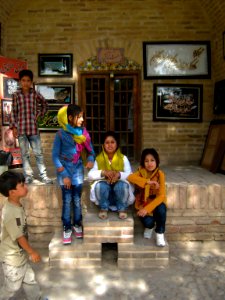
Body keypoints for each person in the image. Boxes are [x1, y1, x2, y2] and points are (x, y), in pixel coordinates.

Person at [52, 104, 95, 245]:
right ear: (70, 117)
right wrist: (64, 175)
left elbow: (91, 151)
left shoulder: (83, 133)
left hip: (77, 170)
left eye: (83, 116)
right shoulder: (60, 134)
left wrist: (90, 159)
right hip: (64, 171)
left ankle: (77, 224)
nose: (82, 119)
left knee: (77, 200)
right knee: (67, 201)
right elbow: (55, 157)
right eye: (79, 116)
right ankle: (67, 227)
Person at [0, 171, 46, 300]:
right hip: (12, 259)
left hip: (20, 255)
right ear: (12, 192)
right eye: (21, 185)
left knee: (30, 280)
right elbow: (19, 236)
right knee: (12, 287)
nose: (26, 187)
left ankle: (36, 298)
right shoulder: (10, 212)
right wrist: (32, 252)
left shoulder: (16, 205)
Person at [9, 69, 52, 185]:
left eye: (28, 80)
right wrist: (14, 127)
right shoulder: (16, 95)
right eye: (23, 80)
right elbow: (13, 112)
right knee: (24, 154)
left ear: (31, 82)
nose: (26, 83)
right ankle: (28, 176)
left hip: (33, 129)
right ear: (20, 82)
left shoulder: (35, 94)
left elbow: (45, 105)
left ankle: (44, 176)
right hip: (21, 129)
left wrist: (38, 115)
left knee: (38, 153)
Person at [88, 131, 135, 220]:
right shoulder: (99, 159)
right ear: (103, 145)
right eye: (107, 142)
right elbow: (90, 175)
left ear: (117, 144)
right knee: (100, 185)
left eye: (112, 142)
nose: (110, 145)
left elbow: (131, 176)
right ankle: (104, 208)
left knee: (121, 185)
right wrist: (103, 173)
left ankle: (121, 208)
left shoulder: (123, 158)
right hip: (105, 196)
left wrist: (119, 175)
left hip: (120, 195)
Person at [127, 148, 167, 247]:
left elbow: (162, 196)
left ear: (156, 161)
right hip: (143, 203)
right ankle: (150, 227)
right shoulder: (140, 172)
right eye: (146, 161)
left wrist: (147, 209)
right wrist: (147, 182)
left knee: (162, 208)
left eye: (152, 160)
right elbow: (130, 177)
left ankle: (160, 233)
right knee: (148, 223)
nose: (149, 163)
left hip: (155, 204)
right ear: (143, 163)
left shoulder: (160, 174)